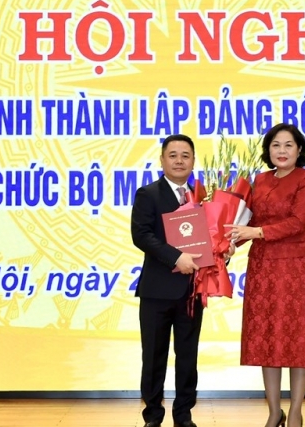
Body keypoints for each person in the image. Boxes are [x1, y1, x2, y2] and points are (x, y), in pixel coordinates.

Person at [225, 123, 305, 427]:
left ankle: (295, 411)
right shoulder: (260, 180)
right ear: (268, 150)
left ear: (299, 149)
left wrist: (255, 232)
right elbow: (249, 221)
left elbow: (299, 222)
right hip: (263, 267)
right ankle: (274, 411)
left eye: (288, 145)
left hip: (295, 268)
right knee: (268, 339)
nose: (282, 150)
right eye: (276, 145)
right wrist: (227, 244)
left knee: (298, 340)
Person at [131, 134, 205, 427]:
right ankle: (152, 415)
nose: (179, 160)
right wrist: (176, 258)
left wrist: (223, 251)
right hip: (156, 291)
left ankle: (183, 415)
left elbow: (210, 237)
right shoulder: (148, 194)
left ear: (193, 161)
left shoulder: (202, 197)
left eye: (185, 155)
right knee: (153, 357)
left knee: (187, 357)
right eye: (172, 155)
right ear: (162, 160)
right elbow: (141, 235)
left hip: (192, 291)